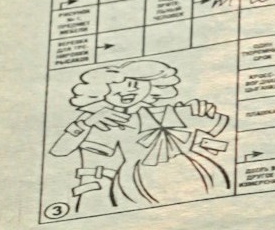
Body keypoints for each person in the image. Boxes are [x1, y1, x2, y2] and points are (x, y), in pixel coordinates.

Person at [51, 61, 231, 210]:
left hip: (189, 172)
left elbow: (216, 126)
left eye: (134, 85)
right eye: (114, 92)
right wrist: (85, 123)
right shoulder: (104, 119)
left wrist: (202, 110)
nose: (126, 92)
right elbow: (60, 151)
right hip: (133, 183)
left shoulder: (166, 111)